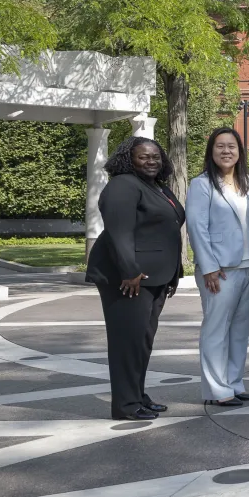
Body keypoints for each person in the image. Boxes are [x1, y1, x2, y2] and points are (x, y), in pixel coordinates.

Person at [86, 136, 184, 421]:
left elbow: (167, 231)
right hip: (129, 279)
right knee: (126, 343)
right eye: (144, 156)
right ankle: (126, 405)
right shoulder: (122, 185)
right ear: (129, 159)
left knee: (141, 341)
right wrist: (130, 271)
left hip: (154, 279)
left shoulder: (157, 187)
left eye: (156, 156)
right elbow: (119, 232)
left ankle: (138, 395)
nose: (152, 161)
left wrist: (173, 274)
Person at [186, 127, 249, 408]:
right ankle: (218, 389)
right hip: (220, 270)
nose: (226, 151)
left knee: (240, 328)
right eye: (220, 146)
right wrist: (207, 266)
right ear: (211, 151)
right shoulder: (202, 184)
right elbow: (196, 226)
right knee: (216, 328)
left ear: (240, 151)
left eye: (232, 146)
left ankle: (234, 382)